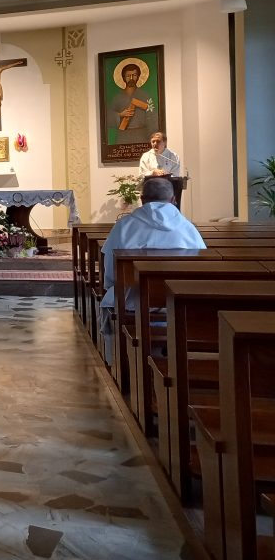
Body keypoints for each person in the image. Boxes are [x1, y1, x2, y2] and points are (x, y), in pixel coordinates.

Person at [98, 176, 205, 362]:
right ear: (173, 199)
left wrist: (112, 287)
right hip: (178, 303)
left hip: (132, 302)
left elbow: (110, 270)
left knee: (111, 299)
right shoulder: (188, 229)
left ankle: (119, 363)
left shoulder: (124, 226)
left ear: (142, 199)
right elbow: (201, 268)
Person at [109, 60, 157, 144]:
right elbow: (108, 117)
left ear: (138, 76)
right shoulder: (117, 98)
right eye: (128, 76)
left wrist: (152, 135)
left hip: (141, 135)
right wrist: (120, 114)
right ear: (123, 77)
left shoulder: (145, 96)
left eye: (134, 75)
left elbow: (152, 116)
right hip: (123, 136)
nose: (131, 78)